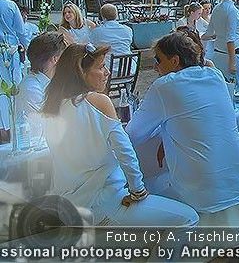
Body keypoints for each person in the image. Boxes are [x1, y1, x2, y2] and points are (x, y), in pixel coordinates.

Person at [42, 44, 198, 227]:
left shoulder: (51, 108)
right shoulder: (98, 102)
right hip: (102, 202)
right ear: (81, 73)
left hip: (68, 205)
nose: (107, 72)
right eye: (101, 67)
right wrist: (138, 190)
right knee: (189, 218)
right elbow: (126, 153)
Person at [127, 32, 239, 212]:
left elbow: (133, 135)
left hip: (202, 196)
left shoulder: (165, 86)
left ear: (175, 61)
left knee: (144, 184)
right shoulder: (215, 75)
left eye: (158, 60)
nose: (155, 67)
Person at [15, 32, 67, 145]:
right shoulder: (30, 87)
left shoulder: (50, 81)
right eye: (64, 56)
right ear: (55, 59)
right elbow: (48, 125)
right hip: (39, 150)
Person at [203, 0, 239, 97]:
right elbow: (230, 38)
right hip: (232, 55)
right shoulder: (232, 10)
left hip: (218, 55)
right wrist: (232, 62)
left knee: (222, 91)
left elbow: (209, 33)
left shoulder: (217, 8)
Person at [0, 0, 30, 141]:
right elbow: (21, 31)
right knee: (14, 86)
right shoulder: (10, 5)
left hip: (7, 52)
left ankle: (3, 127)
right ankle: (16, 124)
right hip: (10, 52)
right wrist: (25, 47)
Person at [90, 4, 133, 72]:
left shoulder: (97, 31)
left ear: (102, 16)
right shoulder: (128, 30)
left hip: (107, 72)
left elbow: (92, 46)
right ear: (116, 15)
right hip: (129, 70)